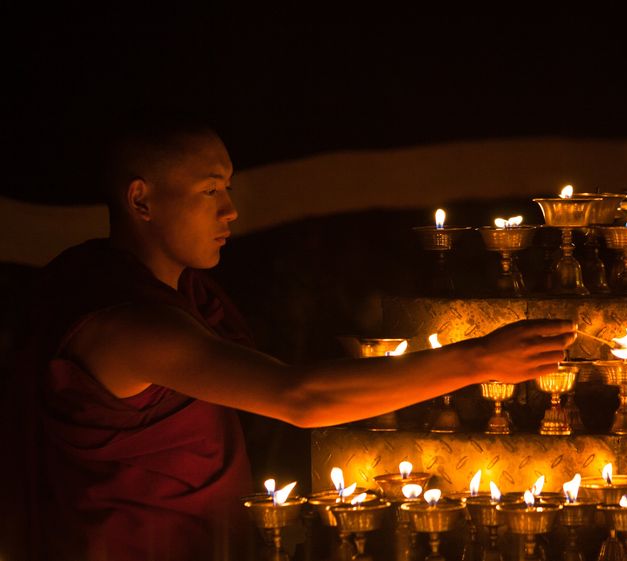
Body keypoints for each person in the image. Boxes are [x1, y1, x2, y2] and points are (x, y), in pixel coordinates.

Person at [5, 118, 575, 561]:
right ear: (140, 201)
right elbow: (299, 397)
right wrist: (479, 359)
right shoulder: (129, 324)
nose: (231, 210)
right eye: (210, 191)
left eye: (227, 187)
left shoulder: (185, 300)